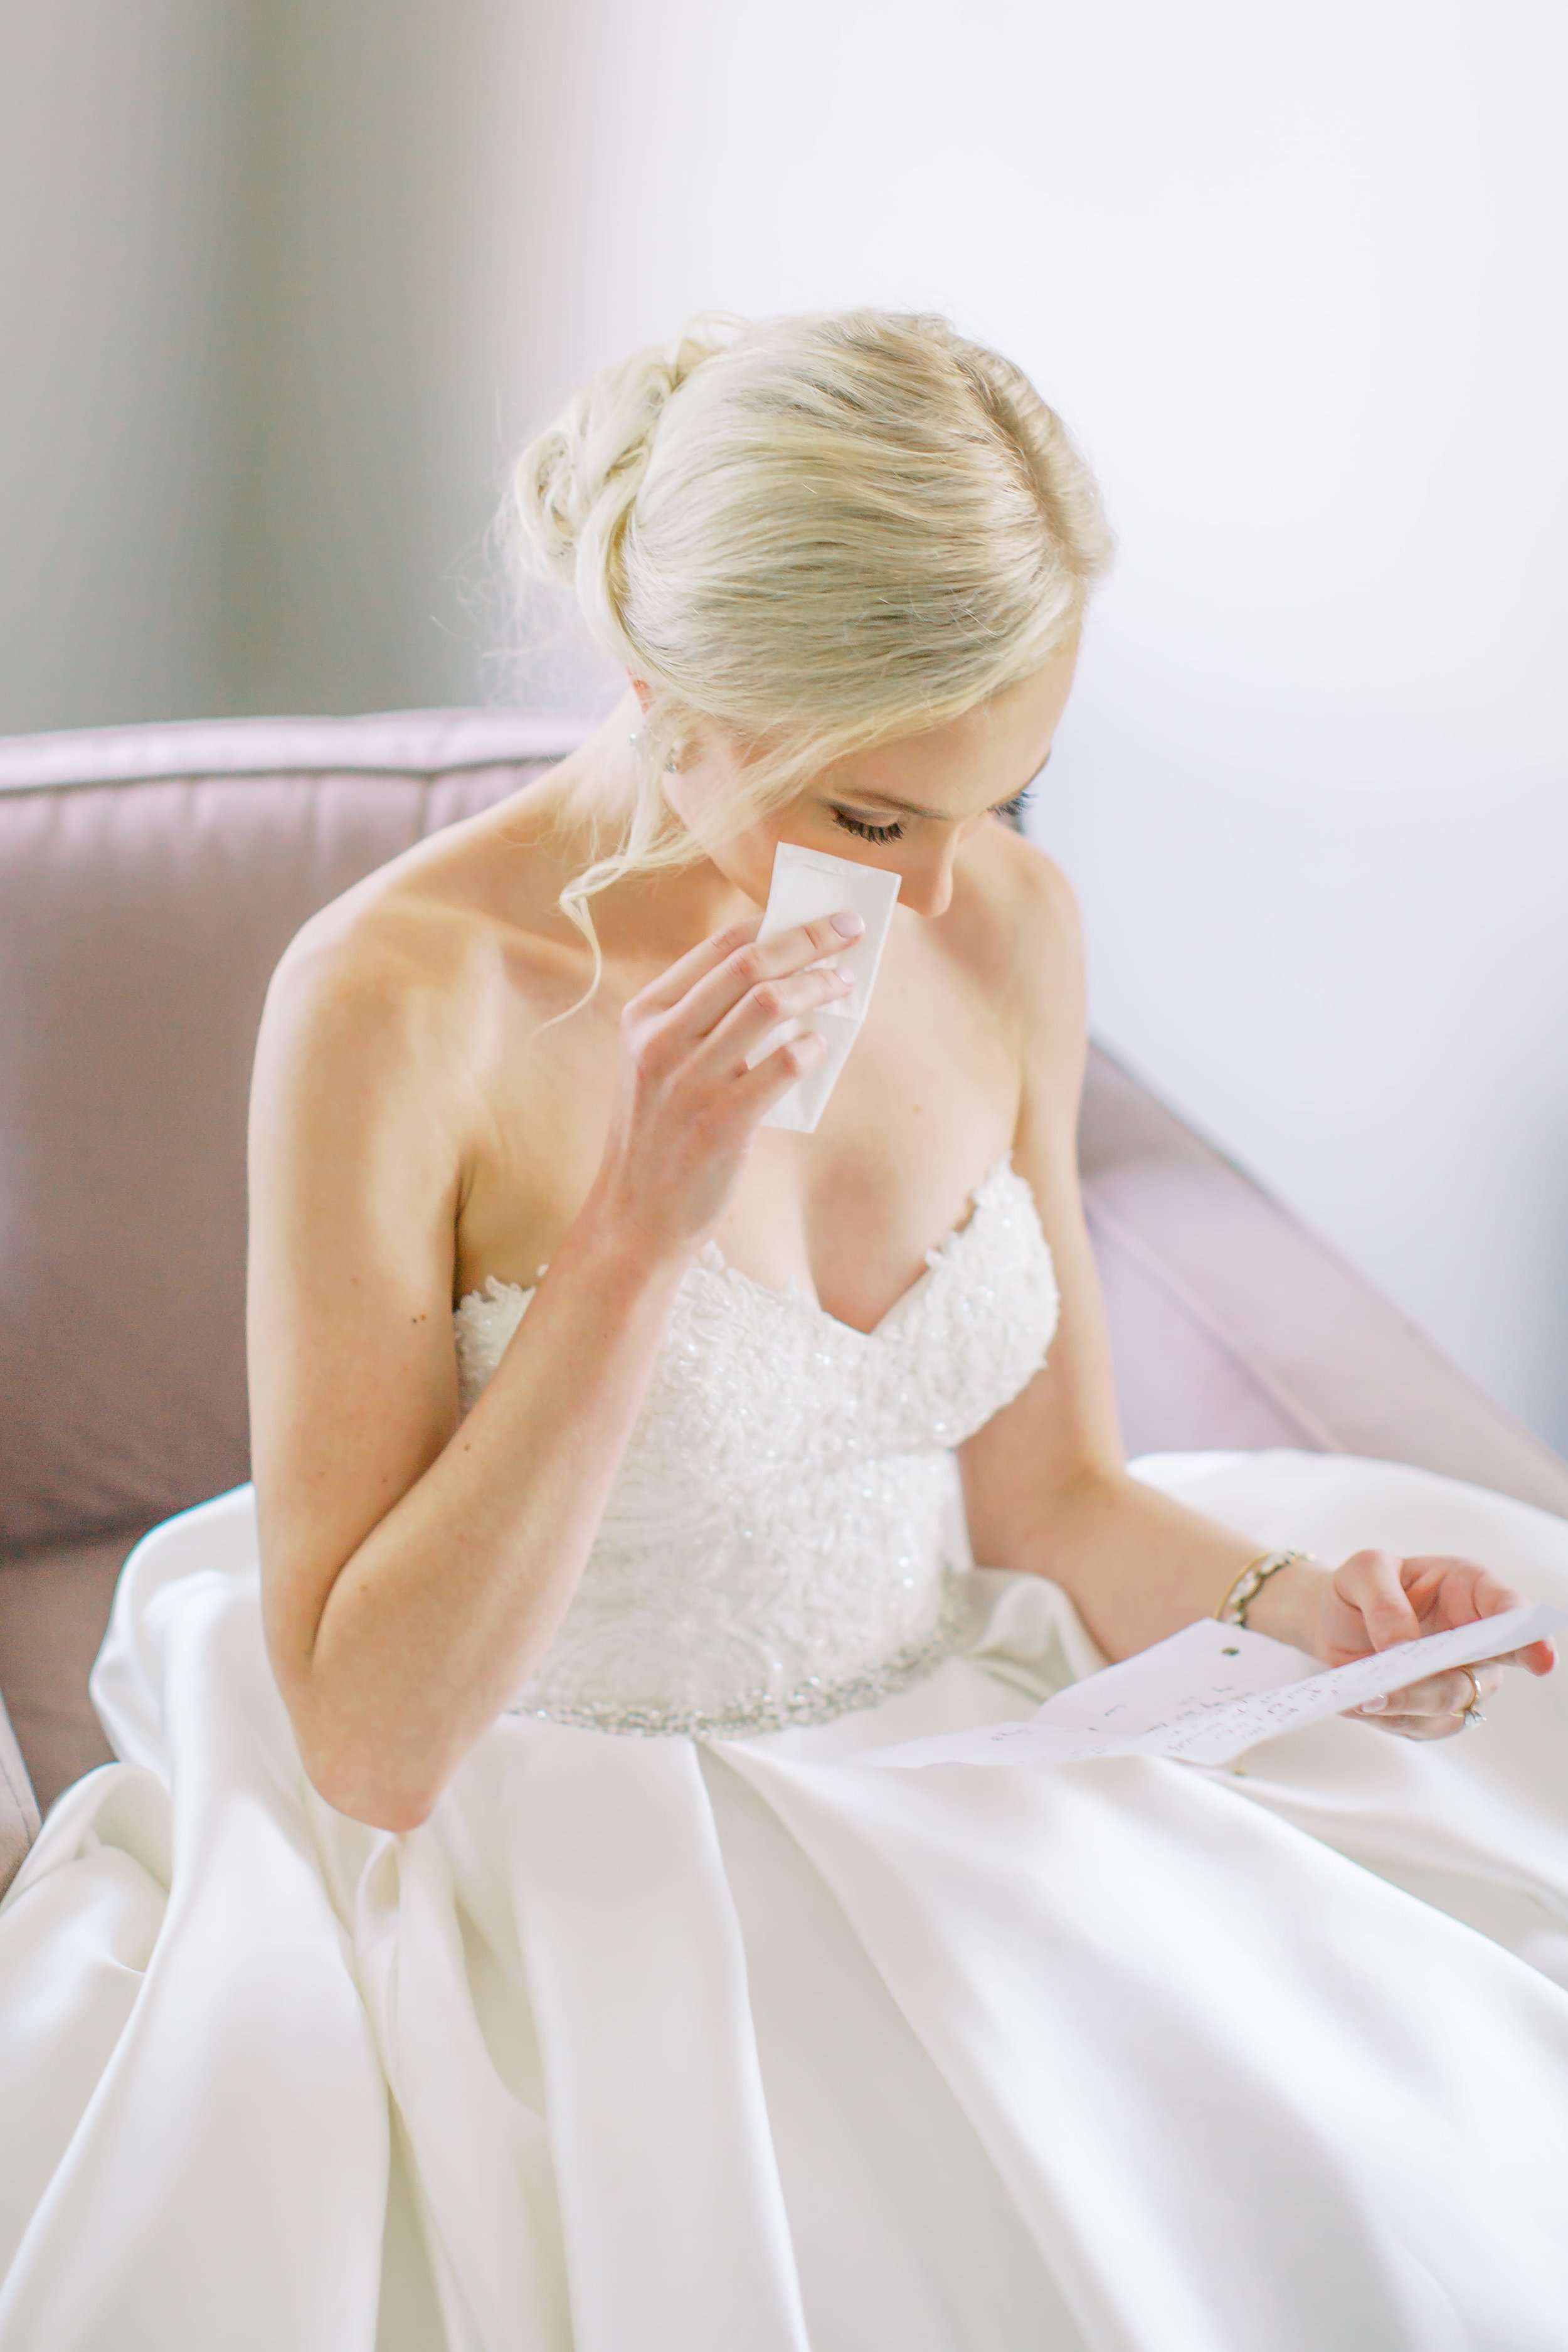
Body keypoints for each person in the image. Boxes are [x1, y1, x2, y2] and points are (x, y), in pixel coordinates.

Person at [1, 310, 1567, 2352]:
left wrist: (1298, 1611)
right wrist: (639, 1226)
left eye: (1000, 793)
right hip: (551, 1838)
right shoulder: (400, 1000)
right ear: (679, 700)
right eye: (880, 820)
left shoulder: (1002, 918)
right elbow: (373, 1744)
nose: (938, 895)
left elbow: (1057, 1498)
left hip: (973, 1744)